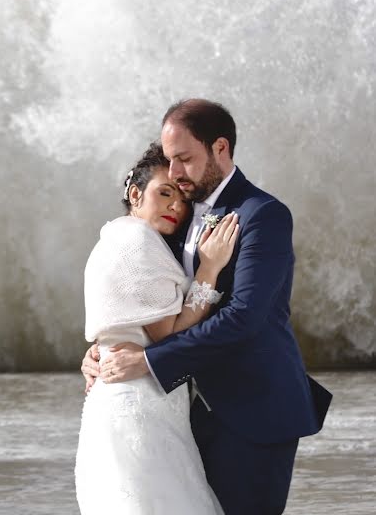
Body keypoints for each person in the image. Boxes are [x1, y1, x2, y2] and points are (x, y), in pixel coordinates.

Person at [81, 99, 332, 514]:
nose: (175, 173)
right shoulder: (173, 215)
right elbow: (144, 295)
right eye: (169, 160)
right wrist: (103, 350)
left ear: (220, 148)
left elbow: (243, 319)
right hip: (185, 410)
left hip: (255, 409)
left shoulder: (262, 215)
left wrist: (148, 360)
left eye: (185, 159)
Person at [75, 142, 237, 514]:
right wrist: (208, 269)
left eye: (181, 201)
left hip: (115, 398)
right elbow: (169, 333)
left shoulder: (112, 238)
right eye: (164, 193)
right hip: (140, 400)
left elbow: (119, 321)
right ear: (135, 194)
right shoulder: (138, 238)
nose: (175, 207)